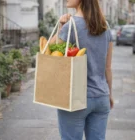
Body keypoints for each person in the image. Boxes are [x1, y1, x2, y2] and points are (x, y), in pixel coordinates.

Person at [50, 0, 114, 140]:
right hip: (101, 97)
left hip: (75, 99)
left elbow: (48, 52)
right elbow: (107, 68)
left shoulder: (70, 26)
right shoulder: (105, 26)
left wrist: (61, 27)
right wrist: (109, 94)